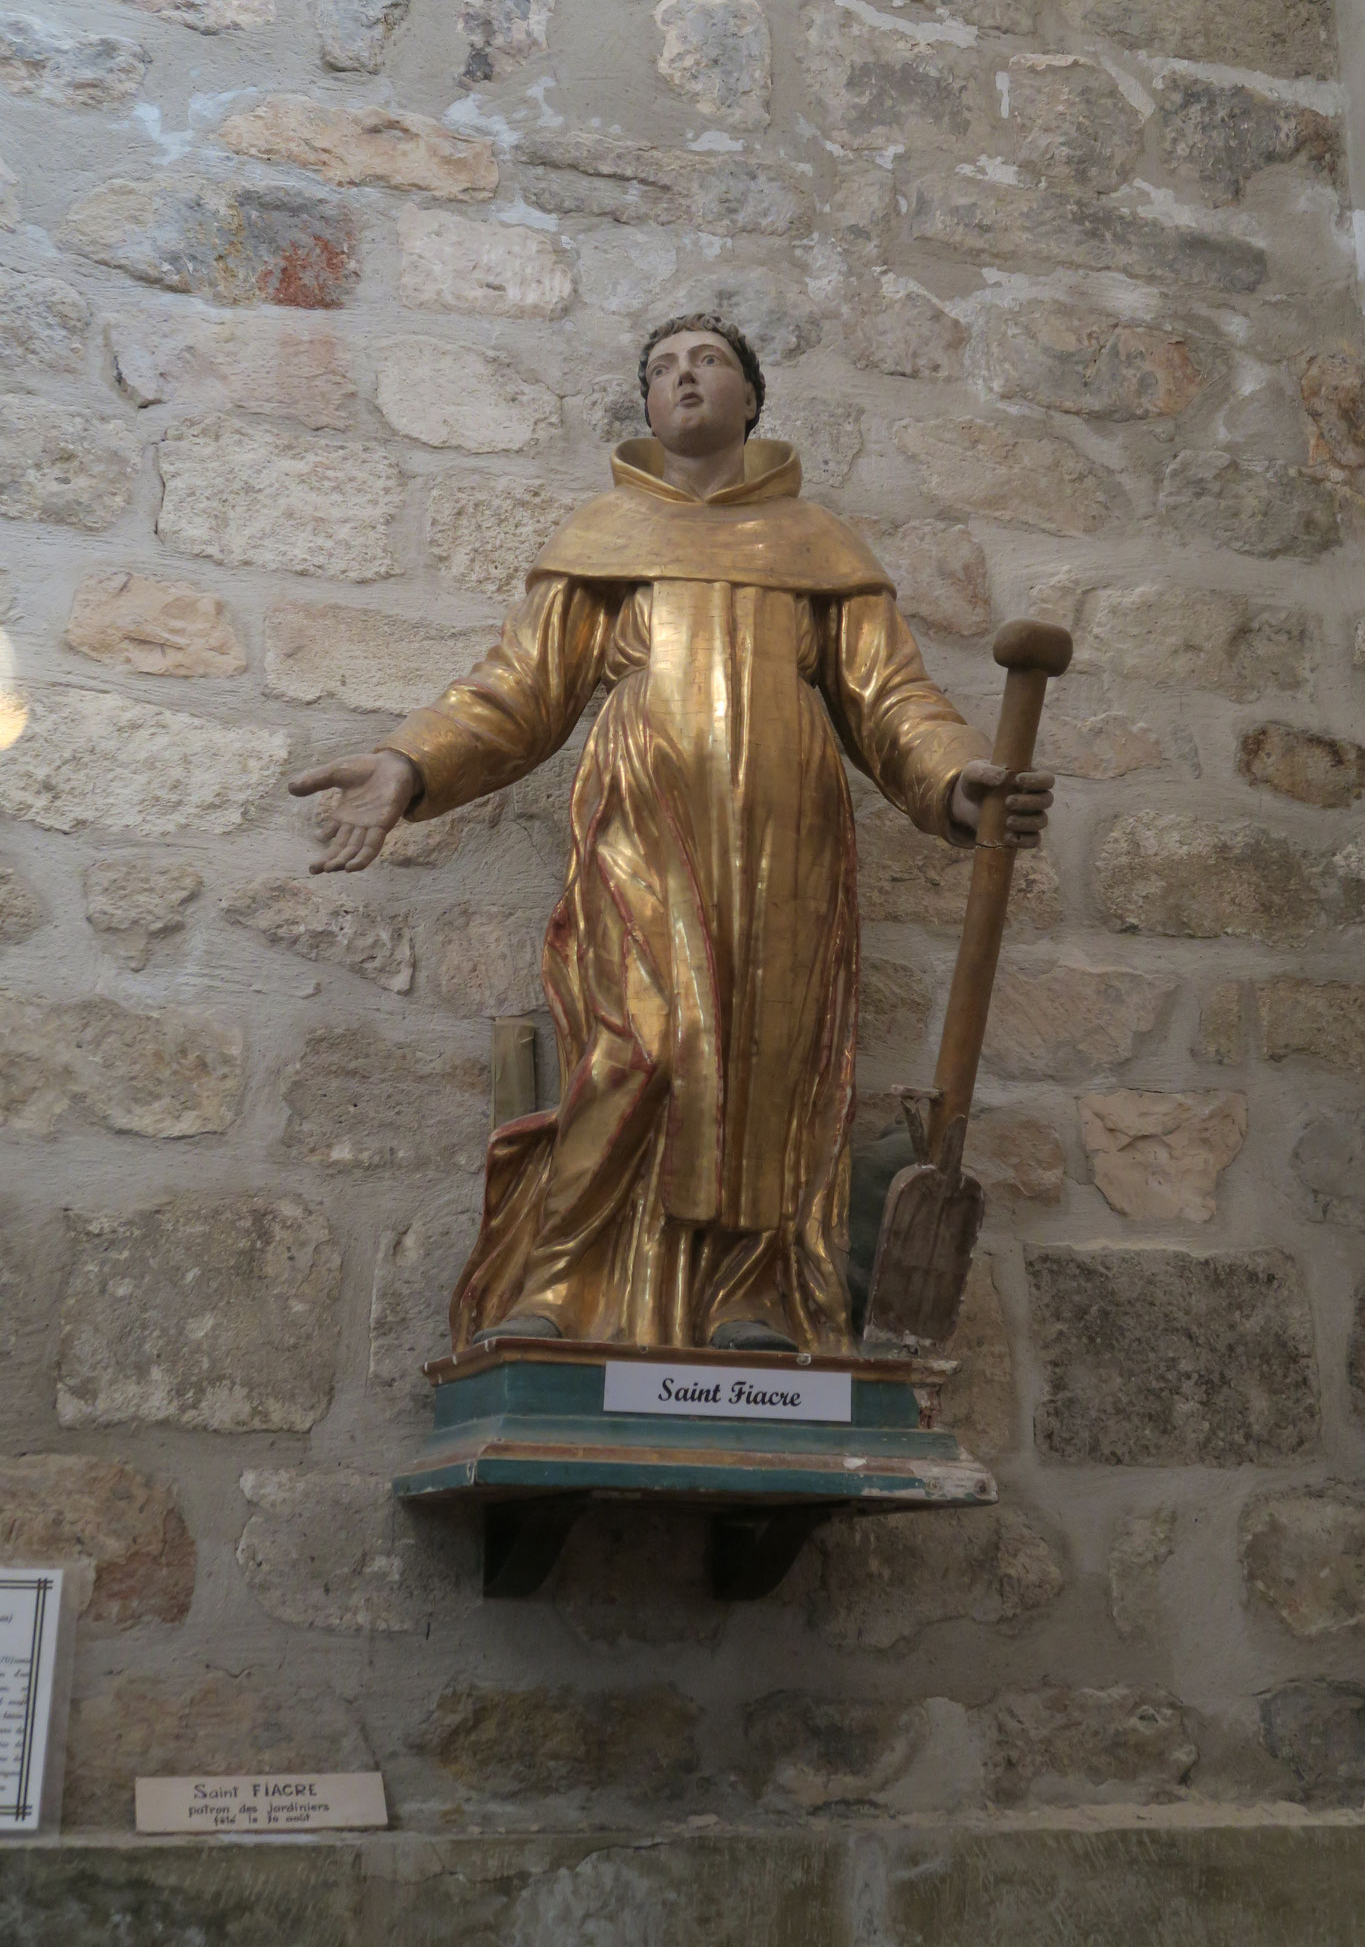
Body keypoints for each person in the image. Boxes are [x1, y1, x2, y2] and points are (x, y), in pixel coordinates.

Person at [289, 315, 1053, 1356]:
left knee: (769, 1058)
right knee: (633, 1046)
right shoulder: (607, 539)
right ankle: (562, 1283)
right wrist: (411, 762)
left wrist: (961, 782)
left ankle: (754, 1298)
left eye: (709, 363)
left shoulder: (820, 546)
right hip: (640, 831)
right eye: (661, 368)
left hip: (789, 847)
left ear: (751, 398)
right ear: (646, 405)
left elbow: (891, 701)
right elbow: (518, 692)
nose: (683, 377)